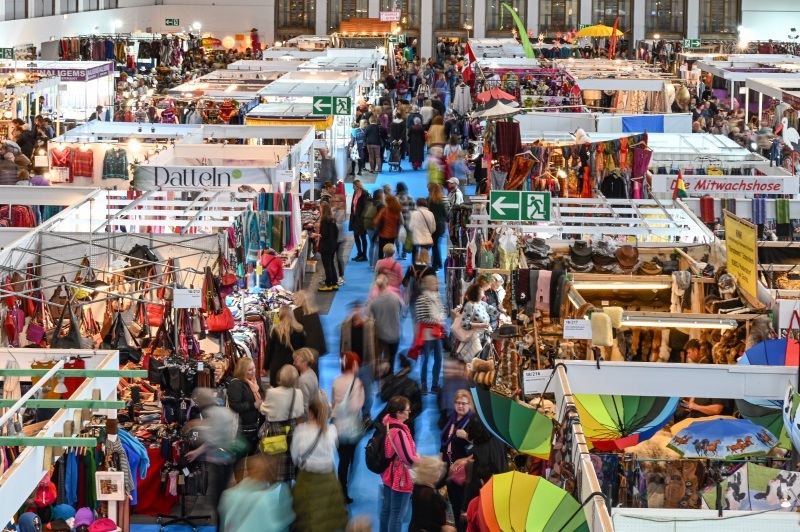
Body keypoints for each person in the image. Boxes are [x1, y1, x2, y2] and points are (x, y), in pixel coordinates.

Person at [290, 397, 349, 532]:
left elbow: (295, 457)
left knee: (309, 517)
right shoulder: (332, 430)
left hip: (307, 479)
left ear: (310, 412)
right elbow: (333, 452)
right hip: (328, 479)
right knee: (328, 518)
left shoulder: (300, 431)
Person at [185, 388, 238, 513]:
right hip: (228, 456)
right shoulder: (224, 410)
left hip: (220, 459)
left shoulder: (212, 413)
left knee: (218, 496)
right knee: (223, 492)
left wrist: (197, 451)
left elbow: (213, 439)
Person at [218, 454, 296, 532]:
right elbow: (284, 523)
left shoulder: (229, 495)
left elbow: (224, 525)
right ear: (270, 472)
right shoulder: (278, 493)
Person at [260, 365, 305, 482]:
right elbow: (300, 412)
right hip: (291, 430)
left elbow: (263, 409)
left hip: (275, 431)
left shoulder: (271, 392)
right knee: (289, 465)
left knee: (274, 462)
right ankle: (288, 490)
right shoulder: (298, 393)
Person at [460, 415, 508, 525]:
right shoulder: (499, 440)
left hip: (485, 499)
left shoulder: (475, 452)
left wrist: (465, 507)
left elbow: (473, 482)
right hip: (502, 491)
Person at [380, 396, 419, 532]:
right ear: (399, 413)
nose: (409, 412)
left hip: (388, 473)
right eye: (407, 410)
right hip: (400, 477)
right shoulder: (399, 432)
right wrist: (422, 462)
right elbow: (408, 459)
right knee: (397, 514)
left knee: (387, 509)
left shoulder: (387, 423)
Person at [331, 352, 366, 503]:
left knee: (342, 460)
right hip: (351, 427)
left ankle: (341, 487)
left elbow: (333, 403)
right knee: (349, 459)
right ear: (353, 365)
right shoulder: (356, 383)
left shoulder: (336, 381)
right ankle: (343, 490)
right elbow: (356, 406)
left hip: (337, 426)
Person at [440, 390, 474, 526]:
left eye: (464, 403)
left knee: (463, 505)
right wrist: (441, 453)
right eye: (458, 403)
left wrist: (466, 436)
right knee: (453, 501)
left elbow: (479, 444)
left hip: (464, 471)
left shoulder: (472, 422)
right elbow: (445, 439)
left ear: (469, 404)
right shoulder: (452, 418)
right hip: (450, 466)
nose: (460, 406)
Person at [341, 301, 377, 425]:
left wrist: (377, 363)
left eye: (358, 309)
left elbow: (376, 344)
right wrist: (343, 364)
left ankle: (366, 414)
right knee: (351, 391)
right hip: (352, 365)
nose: (356, 312)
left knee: (369, 392)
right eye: (354, 310)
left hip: (367, 363)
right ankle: (354, 415)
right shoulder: (345, 326)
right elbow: (342, 347)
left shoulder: (369, 324)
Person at [367, 275, 404, 378]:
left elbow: (368, 319)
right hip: (395, 335)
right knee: (391, 359)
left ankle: (379, 378)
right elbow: (402, 311)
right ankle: (390, 378)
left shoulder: (373, 302)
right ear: (387, 284)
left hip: (380, 336)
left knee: (378, 359)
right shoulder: (396, 298)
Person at [415, 276, 446, 395]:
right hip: (427, 334)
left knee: (439, 359)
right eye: (434, 283)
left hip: (437, 333)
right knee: (425, 360)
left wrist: (441, 318)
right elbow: (421, 318)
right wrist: (435, 321)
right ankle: (424, 385)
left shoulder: (437, 297)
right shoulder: (421, 299)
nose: (437, 285)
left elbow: (443, 310)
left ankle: (434, 384)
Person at [227, 358, 265, 454]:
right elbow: (235, 405)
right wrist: (253, 405)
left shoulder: (255, 380)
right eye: (250, 370)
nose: (253, 371)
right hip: (243, 428)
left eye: (254, 368)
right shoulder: (236, 384)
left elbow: (262, 393)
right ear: (242, 371)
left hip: (256, 425)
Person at [378, 354, 422, 437]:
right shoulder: (413, 384)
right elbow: (418, 407)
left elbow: (383, 397)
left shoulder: (390, 382)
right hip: (406, 423)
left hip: (390, 420)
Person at [265, 306, 307, 387]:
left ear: (280, 315)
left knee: (276, 392)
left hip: (277, 367)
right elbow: (304, 350)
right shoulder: (299, 330)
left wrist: (266, 366)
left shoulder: (275, 330)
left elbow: (269, 350)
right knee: (293, 391)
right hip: (294, 366)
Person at [409, 456, 452, 532]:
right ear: (431, 474)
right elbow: (422, 521)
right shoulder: (427, 493)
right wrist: (442, 528)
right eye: (437, 471)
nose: (440, 473)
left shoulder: (420, 485)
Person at [293, 291, 326, 370]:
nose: (294, 301)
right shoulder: (314, 313)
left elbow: (295, 333)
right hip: (315, 348)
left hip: (303, 350)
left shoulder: (296, 313)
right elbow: (319, 332)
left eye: (295, 299)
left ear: (300, 300)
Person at [316, 203, 340, 292]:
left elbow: (324, 234)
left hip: (326, 246)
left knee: (327, 266)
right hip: (333, 245)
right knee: (331, 264)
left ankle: (328, 284)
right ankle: (334, 283)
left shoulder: (324, 220)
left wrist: (317, 234)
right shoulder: (332, 219)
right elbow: (336, 232)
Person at [408, 198, 436, 263]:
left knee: (415, 253)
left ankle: (414, 266)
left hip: (416, 237)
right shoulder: (430, 214)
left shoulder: (414, 214)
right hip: (426, 237)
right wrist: (429, 233)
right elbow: (433, 228)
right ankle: (424, 266)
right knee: (424, 253)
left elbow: (410, 227)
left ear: (417, 204)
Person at [427, 183, 448, 270]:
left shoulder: (430, 201)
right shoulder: (441, 202)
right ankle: (439, 263)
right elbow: (445, 214)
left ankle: (435, 265)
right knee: (436, 244)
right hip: (441, 226)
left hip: (432, 225)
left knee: (434, 245)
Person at [293, 348, 319, 416]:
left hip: (306, 418)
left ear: (305, 361)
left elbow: (304, 405)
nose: (294, 362)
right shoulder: (311, 373)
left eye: (296, 359)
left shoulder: (303, 380)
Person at [350, 180, 369, 262]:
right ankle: (359, 253)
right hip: (354, 217)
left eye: (354, 186)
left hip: (361, 219)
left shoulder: (364, 194)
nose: (353, 188)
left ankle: (364, 255)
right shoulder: (355, 193)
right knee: (356, 236)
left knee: (363, 236)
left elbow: (365, 207)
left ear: (358, 186)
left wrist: (362, 217)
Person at [395, 182, 415, 260]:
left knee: (397, 236)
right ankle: (404, 253)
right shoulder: (409, 197)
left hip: (398, 220)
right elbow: (414, 208)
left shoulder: (395, 198)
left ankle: (398, 251)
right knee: (405, 237)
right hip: (408, 220)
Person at [366, 190, 386, 268]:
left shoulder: (370, 203)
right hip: (376, 228)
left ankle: (371, 263)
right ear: (380, 195)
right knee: (378, 245)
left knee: (371, 244)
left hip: (368, 226)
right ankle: (376, 265)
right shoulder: (381, 205)